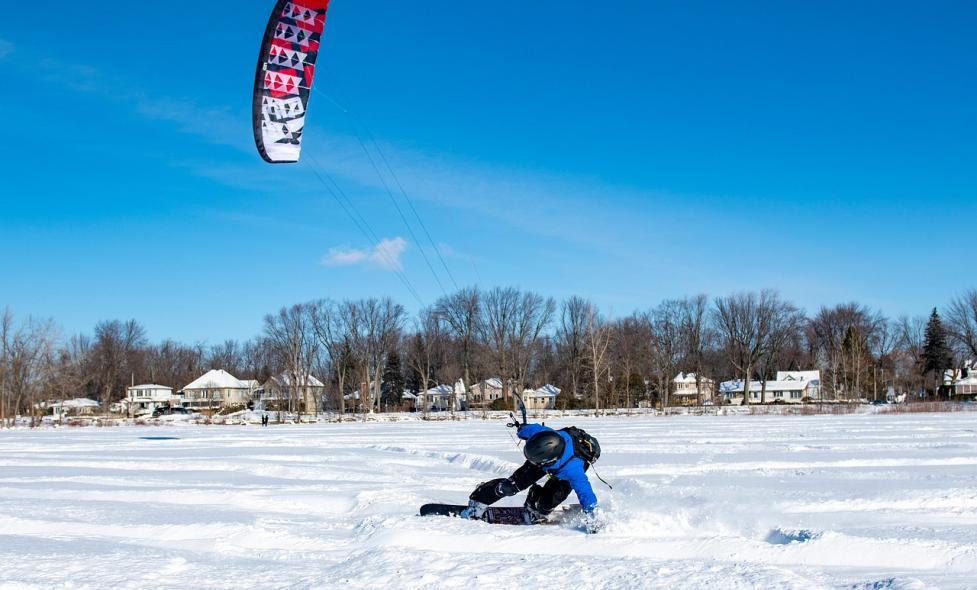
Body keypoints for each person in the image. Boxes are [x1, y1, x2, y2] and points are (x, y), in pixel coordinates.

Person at [460, 421, 603, 533]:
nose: (531, 464)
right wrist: (521, 428)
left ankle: (535, 508)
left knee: (548, 502)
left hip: (564, 469)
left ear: (548, 461)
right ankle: (478, 501)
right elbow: (528, 429)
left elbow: (586, 494)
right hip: (543, 454)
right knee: (509, 487)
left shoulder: (574, 471)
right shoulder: (542, 434)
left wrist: (593, 517)